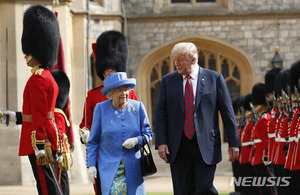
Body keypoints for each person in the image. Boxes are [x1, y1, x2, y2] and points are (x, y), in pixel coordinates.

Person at [155, 42, 240, 194]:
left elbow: (228, 113)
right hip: (178, 146)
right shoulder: (168, 81)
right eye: (175, 59)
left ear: (193, 60)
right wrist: (161, 142)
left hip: (206, 144)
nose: (176, 63)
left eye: (180, 60)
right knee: (182, 191)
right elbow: (161, 114)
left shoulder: (215, 79)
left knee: (204, 189)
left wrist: (234, 142)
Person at [1, 5, 61, 194]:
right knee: (47, 184)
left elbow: (40, 115)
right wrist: (15, 117)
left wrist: (40, 144)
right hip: (45, 136)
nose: (25, 55)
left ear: (37, 51)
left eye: (28, 52)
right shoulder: (47, 77)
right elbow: (37, 112)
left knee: (45, 186)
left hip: (38, 139)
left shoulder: (38, 79)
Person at [78, 30, 138, 194]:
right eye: (106, 68)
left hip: (125, 153)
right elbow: (86, 123)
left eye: (112, 67)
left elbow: (137, 121)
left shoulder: (130, 94)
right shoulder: (93, 95)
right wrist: (85, 133)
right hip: (102, 154)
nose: (109, 70)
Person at [86, 72, 153, 195]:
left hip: (133, 167)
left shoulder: (138, 107)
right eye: (120, 90)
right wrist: (91, 165)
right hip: (109, 166)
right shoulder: (100, 109)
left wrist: (136, 140)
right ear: (111, 93)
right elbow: (93, 141)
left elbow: (148, 133)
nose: (124, 94)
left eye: (126, 90)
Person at [51, 69, 72, 195]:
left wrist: (58, 152)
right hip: (60, 150)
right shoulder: (59, 113)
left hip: (58, 152)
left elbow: (57, 133)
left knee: (60, 180)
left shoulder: (57, 114)